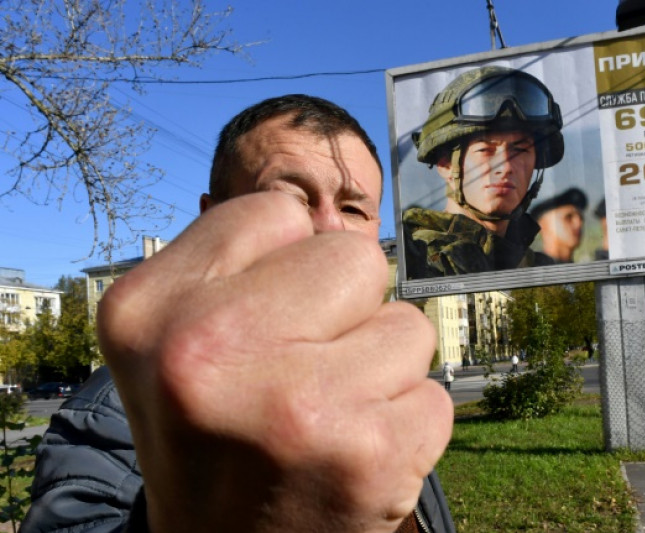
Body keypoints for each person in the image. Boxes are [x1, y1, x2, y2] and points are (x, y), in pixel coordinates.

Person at [23, 95, 456, 533]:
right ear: (212, 221)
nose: (330, 230)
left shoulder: (384, 386)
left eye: (353, 209)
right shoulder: (114, 412)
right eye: (290, 199)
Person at [403, 65, 564, 278]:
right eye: (485, 150)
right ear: (446, 166)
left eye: (521, 150)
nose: (506, 167)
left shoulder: (538, 266)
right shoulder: (415, 258)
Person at [529, 187, 588, 263]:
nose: (579, 224)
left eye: (581, 218)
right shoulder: (529, 270)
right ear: (543, 224)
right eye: (568, 217)